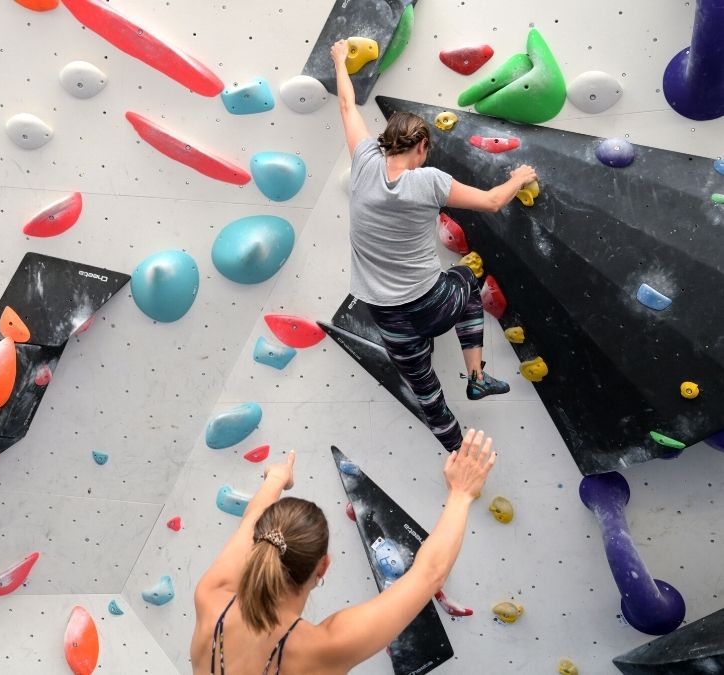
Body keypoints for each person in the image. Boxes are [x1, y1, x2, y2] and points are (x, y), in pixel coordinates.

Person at [330, 38, 539, 453]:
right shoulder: (429, 181)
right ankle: (476, 376)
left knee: (426, 392)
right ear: (422, 146)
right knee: (465, 277)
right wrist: (519, 177)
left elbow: (348, 108)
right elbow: (493, 201)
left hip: (387, 315)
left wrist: (340, 61)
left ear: (387, 140)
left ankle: (458, 453)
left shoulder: (365, 162)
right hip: (432, 302)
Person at [190, 428, 496, 674]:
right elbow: (429, 574)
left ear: (258, 547)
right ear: (323, 567)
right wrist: (461, 493)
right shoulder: (321, 649)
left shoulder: (211, 595)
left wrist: (275, 479)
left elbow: (250, 524)